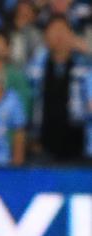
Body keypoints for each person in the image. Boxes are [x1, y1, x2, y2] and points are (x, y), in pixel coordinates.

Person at [27, 15, 91, 163]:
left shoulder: (85, 67)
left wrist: (87, 51)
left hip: (78, 145)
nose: (58, 36)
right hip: (43, 145)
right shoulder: (36, 67)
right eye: (53, 31)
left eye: (62, 30)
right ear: (46, 37)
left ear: (71, 35)